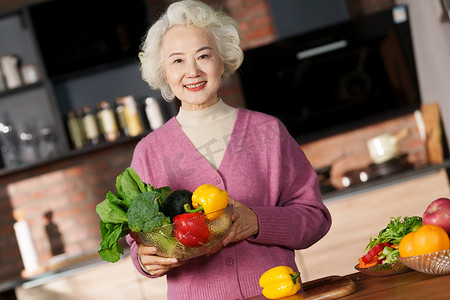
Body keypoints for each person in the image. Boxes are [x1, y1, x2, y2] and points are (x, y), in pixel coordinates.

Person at [126, 1, 332, 299]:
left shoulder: (268, 132)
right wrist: (144, 260)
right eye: (178, 61)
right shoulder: (149, 152)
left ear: (222, 62)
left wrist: (258, 222)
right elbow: (139, 243)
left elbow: (315, 218)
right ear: (164, 72)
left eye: (204, 55)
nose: (193, 71)